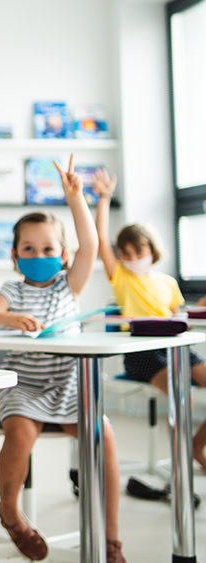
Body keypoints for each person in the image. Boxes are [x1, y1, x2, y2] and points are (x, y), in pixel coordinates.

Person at [0, 155, 126, 562]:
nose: (39, 254)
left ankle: (110, 539)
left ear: (64, 254)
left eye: (48, 248)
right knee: (20, 433)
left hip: (70, 385)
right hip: (23, 386)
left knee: (104, 436)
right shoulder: (12, 290)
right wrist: (8, 317)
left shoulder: (69, 286)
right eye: (29, 248)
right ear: (15, 255)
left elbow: (91, 245)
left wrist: (75, 199)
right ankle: (10, 512)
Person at [93, 169, 206, 471]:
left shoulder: (168, 282)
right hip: (142, 354)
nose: (132, 259)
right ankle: (182, 462)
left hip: (176, 349)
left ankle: (196, 446)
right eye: (125, 253)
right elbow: (100, 238)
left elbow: (179, 318)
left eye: (138, 251)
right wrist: (104, 197)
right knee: (182, 395)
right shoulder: (121, 278)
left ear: (151, 250)